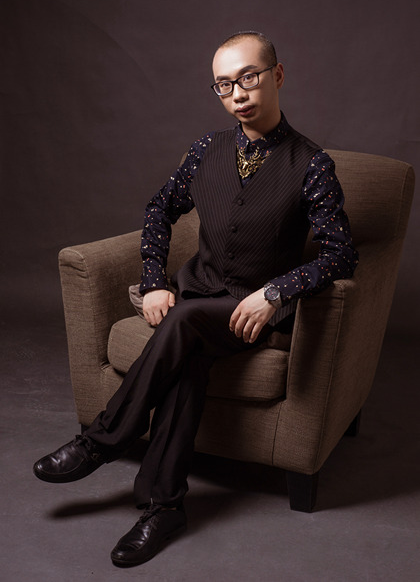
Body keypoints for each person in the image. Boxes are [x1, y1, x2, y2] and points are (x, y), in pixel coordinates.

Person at [33, 31, 359, 567]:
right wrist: (154, 280)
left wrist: (275, 293)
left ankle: (102, 440)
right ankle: (163, 507)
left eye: (248, 77)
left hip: (249, 313)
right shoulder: (207, 149)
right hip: (194, 296)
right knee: (187, 359)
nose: (238, 93)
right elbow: (159, 209)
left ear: (277, 75)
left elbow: (341, 254)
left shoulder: (312, 164)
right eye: (224, 84)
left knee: (183, 323)